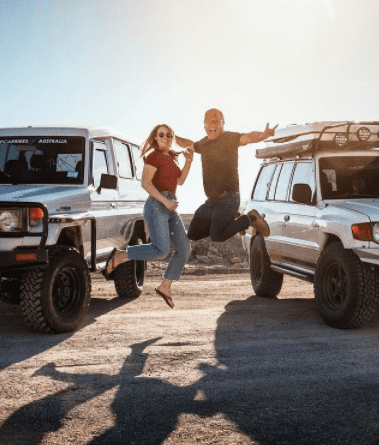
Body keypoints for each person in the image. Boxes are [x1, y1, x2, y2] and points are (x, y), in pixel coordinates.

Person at [103, 124, 193, 308]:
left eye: (169, 134)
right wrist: (165, 202)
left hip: (170, 205)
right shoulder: (153, 157)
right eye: (162, 135)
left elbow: (180, 181)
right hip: (157, 205)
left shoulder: (173, 158)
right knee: (161, 250)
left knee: (183, 249)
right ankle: (122, 255)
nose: (166, 137)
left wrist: (189, 161)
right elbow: (146, 183)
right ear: (155, 138)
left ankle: (165, 286)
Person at [175, 108, 277, 242]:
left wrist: (263, 135)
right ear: (204, 125)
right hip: (211, 202)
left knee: (217, 236)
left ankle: (249, 219)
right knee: (193, 234)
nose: (212, 124)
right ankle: (232, 220)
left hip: (229, 198)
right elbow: (188, 144)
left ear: (223, 124)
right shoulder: (203, 143)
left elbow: (249, 137)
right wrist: (171, 136)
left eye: (216, 121)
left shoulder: (229, 138)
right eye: (208, 121)